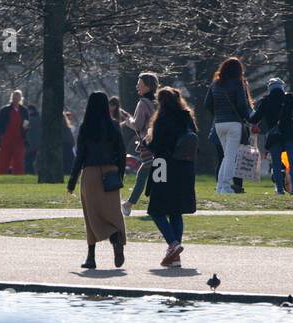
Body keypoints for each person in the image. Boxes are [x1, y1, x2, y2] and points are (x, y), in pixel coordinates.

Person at [67, 91, 128, 270]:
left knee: (91, 216)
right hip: (111, 172)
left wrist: (72, 181)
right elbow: (122, 154)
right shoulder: (115, 126)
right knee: (113, 212)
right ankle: (116, 237)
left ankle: (91, 257)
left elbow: (80, 157)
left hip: (91, 174)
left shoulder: (86, 127)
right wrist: (120, 174)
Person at [144, 86, 198, 268]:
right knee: (176, 211)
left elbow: (156, 146)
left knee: (156, 209)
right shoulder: (187, 117)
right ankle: (175, 257)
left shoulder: (162, 120)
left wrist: (146, 142)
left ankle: (173, 244)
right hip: (185, 168)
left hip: (163, 167)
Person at [204, 57, 253, 194]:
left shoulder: (215, 84)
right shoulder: (238, 83)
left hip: (219, 123)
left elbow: (207, 104)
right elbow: (242, 105)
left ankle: (220, 186)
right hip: (234, 123)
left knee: (226, 156)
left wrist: (218, 113)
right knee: (231, 157)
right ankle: (225, 187)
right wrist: (250, 118)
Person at [250, 78, 293, 195]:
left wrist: (251, 110)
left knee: (276, 163)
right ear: (282, 87)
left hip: (274, 135)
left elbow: (255, 119)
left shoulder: (266, 100)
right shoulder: (289, 98)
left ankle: (280, 190)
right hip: (290, 134)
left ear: (269, 88)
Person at [120, 72, 158, 216]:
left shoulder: (142, 103)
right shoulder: (157, 102)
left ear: (147, 86)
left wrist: (128, 120)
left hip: (148, 144)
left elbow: (138, 125)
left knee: (143, 174)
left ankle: (128, 204)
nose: (137, 86)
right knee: (157, 175)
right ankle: (160, 204)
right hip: (161, 143)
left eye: (139, 84)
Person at [0, 89, 28, 175]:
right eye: (15, 96)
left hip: (19, 139)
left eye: (18, 96)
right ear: (12, 97)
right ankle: (2, 175)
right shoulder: (5, 110)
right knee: (4, 159)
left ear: (21, 98)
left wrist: (25, 132)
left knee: (18, 160)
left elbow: (26, 123)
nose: (16, 98)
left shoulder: (24, 110)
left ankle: (18, 176)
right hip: (6, 138)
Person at [23, 103, 41, 174]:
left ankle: (29, 172)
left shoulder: (27, 120)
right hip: (38, 145)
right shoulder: (40, 119)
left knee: (28, 161)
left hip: (29, 144)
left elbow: (23, 129)